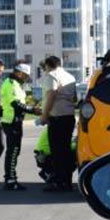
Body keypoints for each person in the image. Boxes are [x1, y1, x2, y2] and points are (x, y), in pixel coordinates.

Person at [37, 56, 78, 192]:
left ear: (48, 65)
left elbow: (51, 95)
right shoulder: (70, 77)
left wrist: (44, 115)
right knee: (66, 150)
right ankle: (67, 181)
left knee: (57, 152)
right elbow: (74, 98)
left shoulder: (51, 76)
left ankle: (59, 182)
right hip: (69, 116)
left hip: (57, 118)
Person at [1, 62, 41, 191]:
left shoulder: (17, 84)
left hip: (16, 121)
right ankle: (10, 179)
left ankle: (11, 177)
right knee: (12, 152)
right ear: (19, 73)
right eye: (25, 75)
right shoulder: (10, 84)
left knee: (14, 151)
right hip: (11, 121)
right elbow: (16, 104)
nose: (26, 78)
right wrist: (33, 110)